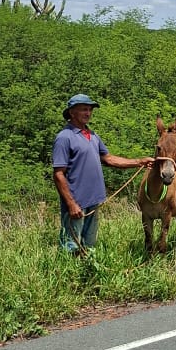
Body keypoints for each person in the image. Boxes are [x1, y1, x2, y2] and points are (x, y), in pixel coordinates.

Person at [52, 94, 153, 254]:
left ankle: (88, 268)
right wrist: (71, 204)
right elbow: (58, 174)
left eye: (90, 110)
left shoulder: (92, 135)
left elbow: (109, 159)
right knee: (71, 246)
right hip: (76, 201)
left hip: (94, 199)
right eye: (84, 109)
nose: (88, 113)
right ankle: (68, 270)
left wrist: (139, 161)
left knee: (89, 245)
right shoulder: (64, 137)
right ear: (72, 112)